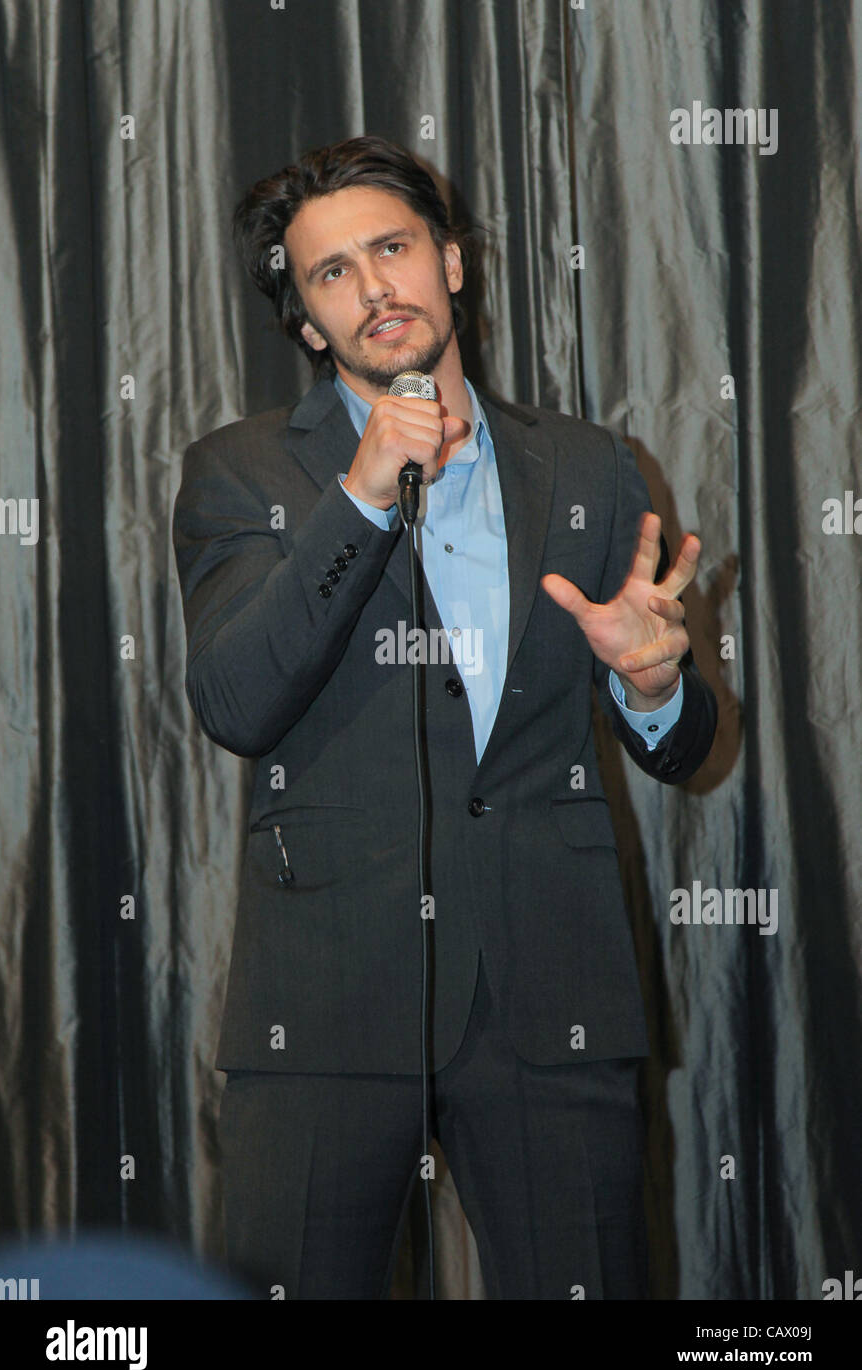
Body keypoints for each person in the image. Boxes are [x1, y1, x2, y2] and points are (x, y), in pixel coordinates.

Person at [172, 135, 717, 1300]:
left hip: (547, 996)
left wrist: (651, 682)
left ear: (451, 263)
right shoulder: (242, 472)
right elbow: (233, 698)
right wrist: (364, 496)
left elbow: (679, 747)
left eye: (393, 248)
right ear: (307, 323)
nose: (374, 287)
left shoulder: (585, 466)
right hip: (322, 1007)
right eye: (331, 274)